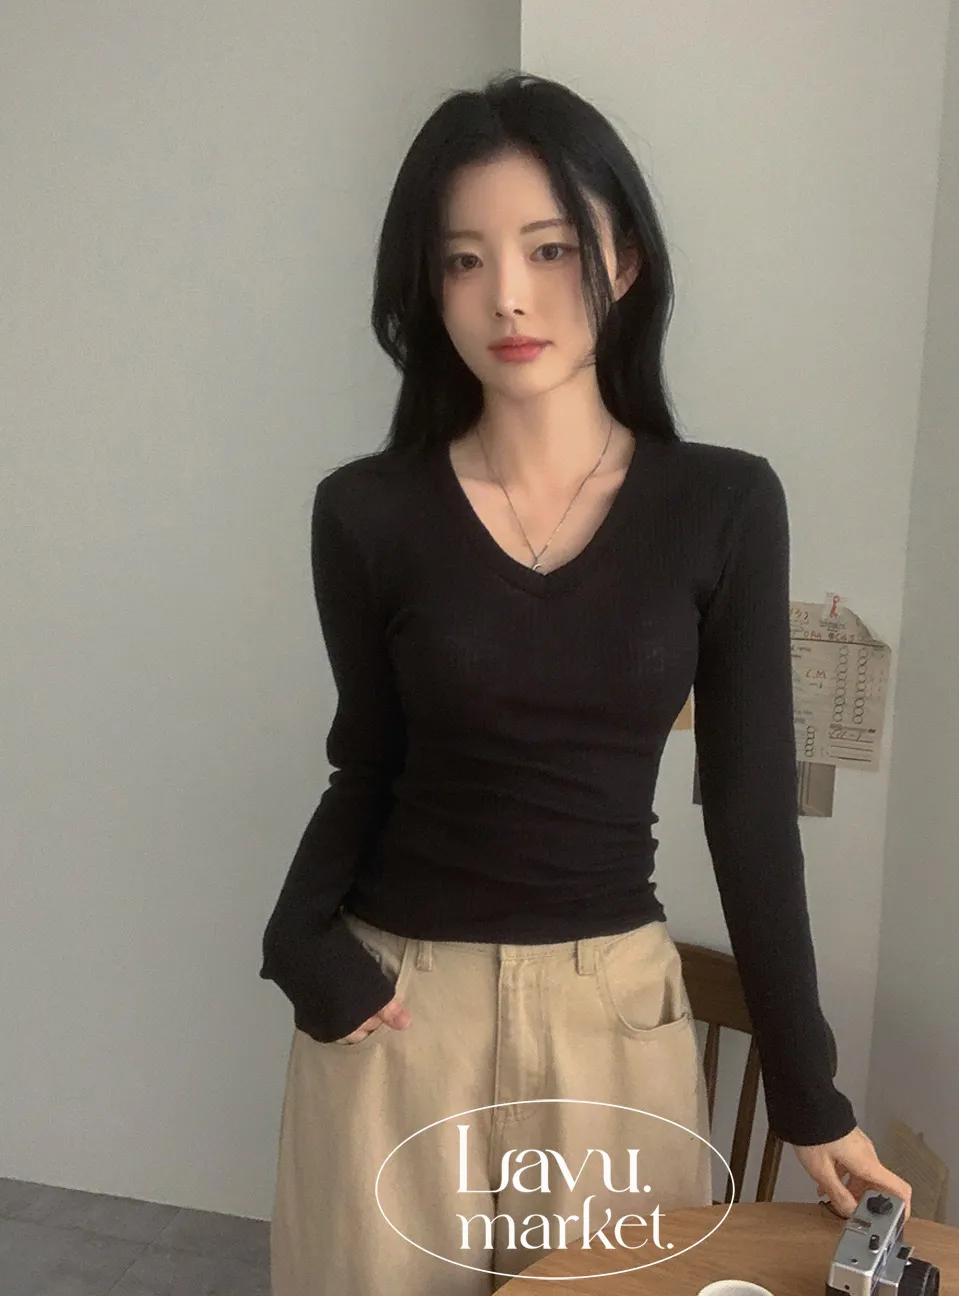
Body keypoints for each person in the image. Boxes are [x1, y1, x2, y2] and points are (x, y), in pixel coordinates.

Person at [259, 70, 911, 1295]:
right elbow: (368, 761)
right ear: (426, 287)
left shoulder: (722, 504)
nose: (507, 295)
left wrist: (811, 1094)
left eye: (549, 248)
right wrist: (295, 935)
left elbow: (751, 811)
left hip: (611, 1022)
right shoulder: (366, 512)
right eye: (462, 261)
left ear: (625, 259)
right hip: (400, 1013)